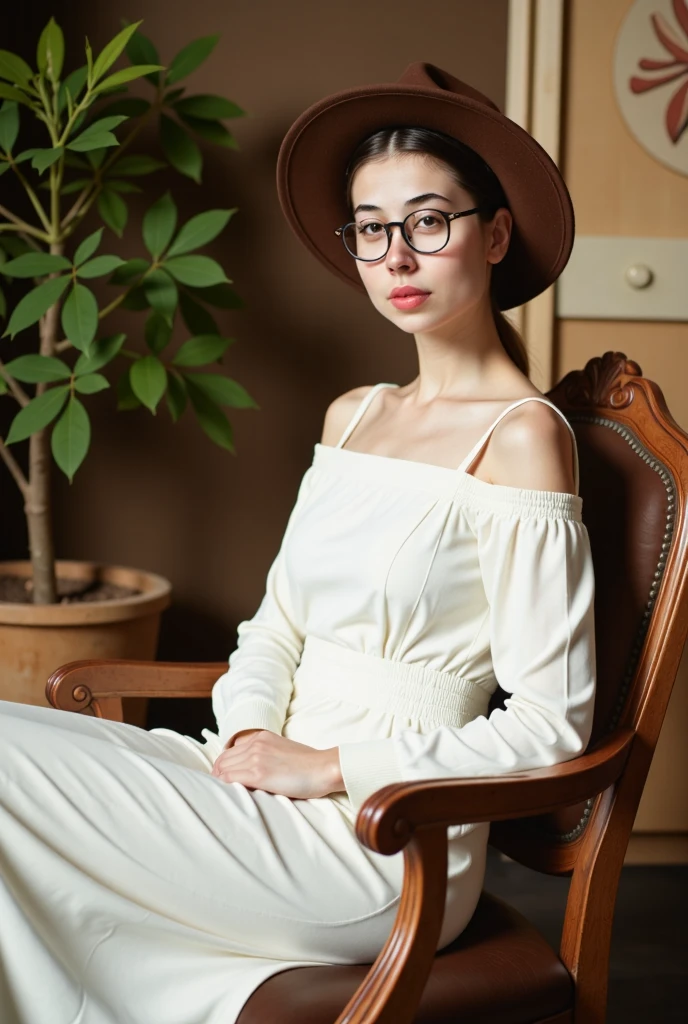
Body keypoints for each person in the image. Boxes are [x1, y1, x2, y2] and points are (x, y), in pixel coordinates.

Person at [0, 63, 596, 1024]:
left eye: (429, 221)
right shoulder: (355, 415)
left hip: (377, 837)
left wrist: (326, 767)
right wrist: (244, 734)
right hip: (257, 778)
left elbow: (552, 725)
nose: (397, 256)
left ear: (493, 233)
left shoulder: (521, 438)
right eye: (371, 228)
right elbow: (274, 626)